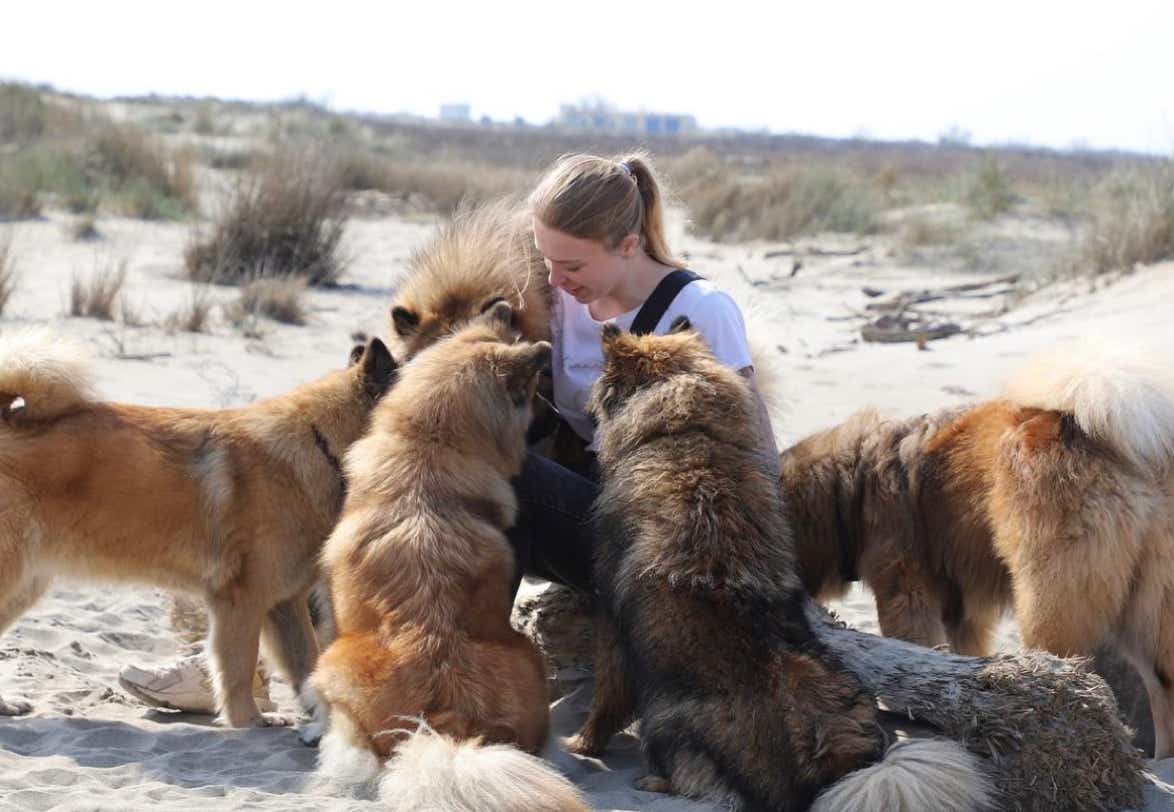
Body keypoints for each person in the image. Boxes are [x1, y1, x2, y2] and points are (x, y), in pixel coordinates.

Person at [119, 150, 779, 711]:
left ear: (629, 245)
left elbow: (758, 463)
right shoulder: (568, 304)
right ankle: (332, 659)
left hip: (657, 543)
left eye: (570, 266)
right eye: (546, 263)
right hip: (582, 517)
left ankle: (447, 666)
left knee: (497, 470)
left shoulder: (700, 311)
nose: (555, 281)